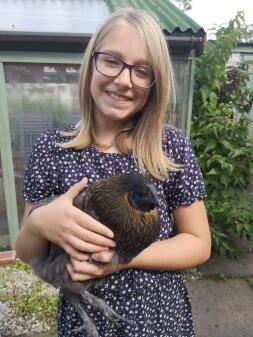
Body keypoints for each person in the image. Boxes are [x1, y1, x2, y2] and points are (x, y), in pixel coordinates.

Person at [15, 7, 211, 337]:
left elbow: (198, 243)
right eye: (112, 61)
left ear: (155, 83)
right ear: (92, 62)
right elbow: (27, 252)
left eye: (142, 70)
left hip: (160, 319)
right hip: (87, 323)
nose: (123, 79)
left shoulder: (169, 147)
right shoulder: (53, 149)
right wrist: (38, 223)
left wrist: (121, 258)